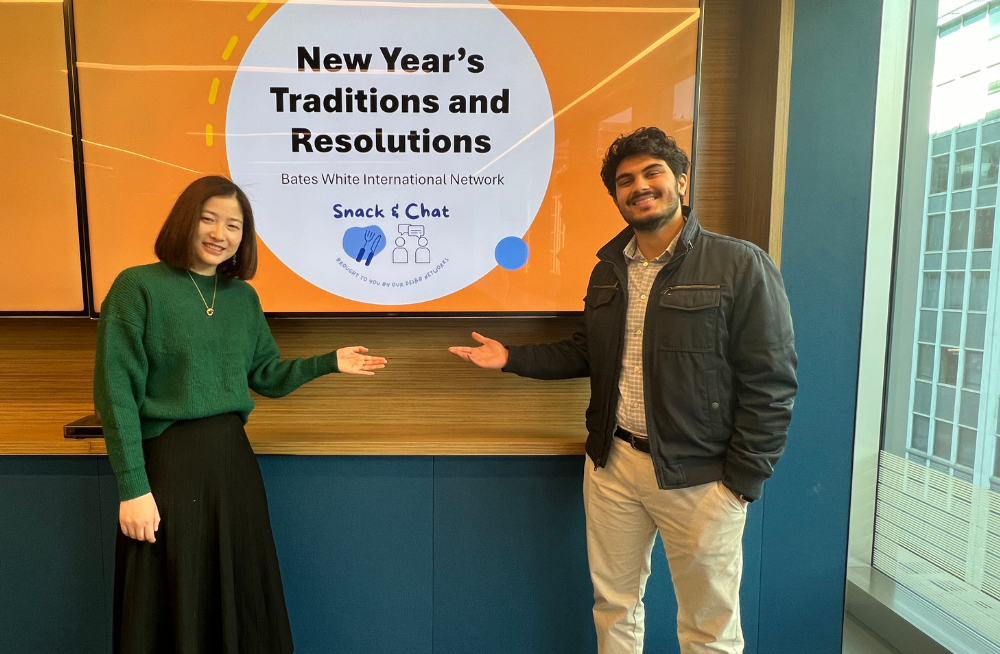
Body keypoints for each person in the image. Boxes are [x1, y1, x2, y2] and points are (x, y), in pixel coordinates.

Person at [449, 127, 797, 654]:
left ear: (681, 180)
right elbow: (587, 352)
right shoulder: (607, 272)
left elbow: (770, 382)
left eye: (652, 173)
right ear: (616, 196)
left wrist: (741, 482)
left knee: (708, 628)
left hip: (700, 477)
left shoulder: (738, 264)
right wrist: (510, 358)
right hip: (612, 465)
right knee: (614, 607)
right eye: (625, 181)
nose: (639, 187)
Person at [94, 175, 387, 654]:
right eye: (208, 219)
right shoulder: (137, 286)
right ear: (184, 221)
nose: (219, 233)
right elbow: (116, 394)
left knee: (242, 597)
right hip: (167, 465)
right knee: (169, 601)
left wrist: (328, 362)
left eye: (233, 224)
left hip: (233, 463)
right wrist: (133, 488)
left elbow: (265, 375)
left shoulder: (242, 298)